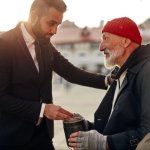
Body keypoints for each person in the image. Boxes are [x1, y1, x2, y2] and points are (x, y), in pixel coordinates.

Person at [0, 0, 109, 149]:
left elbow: (70, 72)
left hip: (42, 135)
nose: (54, 31)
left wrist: (108, 81)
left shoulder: (45, 43)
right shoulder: (4, 44)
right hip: (12, 138)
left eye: (58, 25)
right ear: (33, 17)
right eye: (51, 23)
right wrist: (42, 109)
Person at [68, 17, 150, 150]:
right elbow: (116, 125)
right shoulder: (120, 73)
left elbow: (147, 133)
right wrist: (86, 126)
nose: (100, 47)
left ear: (125, 41)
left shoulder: (147, 71)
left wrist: (106, 143)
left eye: (105, 38)